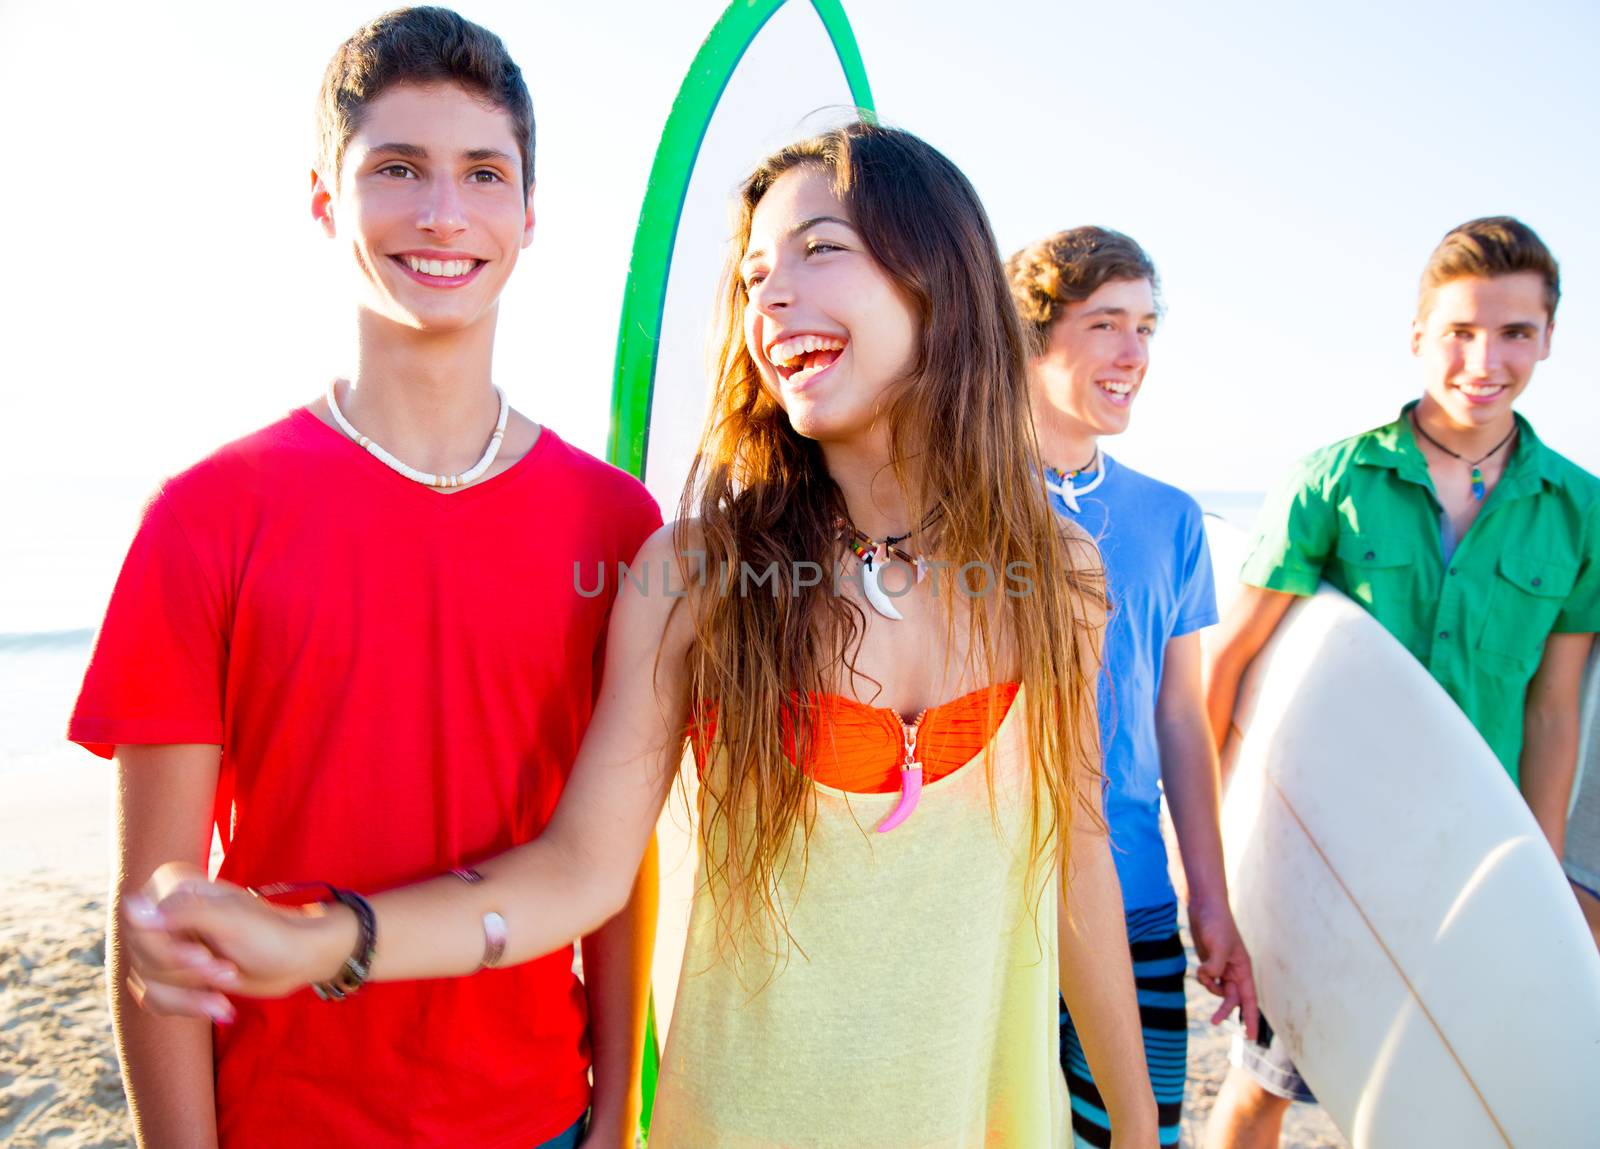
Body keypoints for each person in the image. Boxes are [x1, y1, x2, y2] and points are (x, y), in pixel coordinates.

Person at [119, 121, 1162, 1147]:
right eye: (752, 276)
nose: (772, 296)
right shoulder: (698, 575)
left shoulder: (1057, 576)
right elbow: (578, 874)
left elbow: (1073, 858)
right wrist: (328, 940)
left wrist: (1137, 1115)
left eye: (818, 249)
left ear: (941, 275)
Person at [67, 9, 660, 1148]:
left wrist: (615, 1117)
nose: (443, 213)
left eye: (483, 173)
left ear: (529, 216)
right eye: (397, 169)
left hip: (540, 1118)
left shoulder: (618, 526)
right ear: (324, 200)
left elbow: (611, 864)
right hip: (287, 1120)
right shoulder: (203, 517)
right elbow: (153, 908)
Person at [1200, 216, 1600, 1147]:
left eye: (1514, 333)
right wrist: (1227, 870)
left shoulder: (1579, 511)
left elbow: (1553, 711)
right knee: (1266, 1085)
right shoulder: (1334, 482)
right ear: (1418, 333)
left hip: (1474, 861)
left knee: (1442, 1102)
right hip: (1329, 862)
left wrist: (1530, 886)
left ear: (1547, 338)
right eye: (1459, 330)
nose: (1483, 359)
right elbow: (1228, 672)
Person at [1007, 228, 1259, 1149]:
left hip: (1137, 895)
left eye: (1146, 328)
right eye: (1105, 323)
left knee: (1139, 1131)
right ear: (1030, 340)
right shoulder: (954, 504)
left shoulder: (1171, 516)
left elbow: (1180, 720)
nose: (1133, 355)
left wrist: (1212, 900)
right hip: (998, 900)